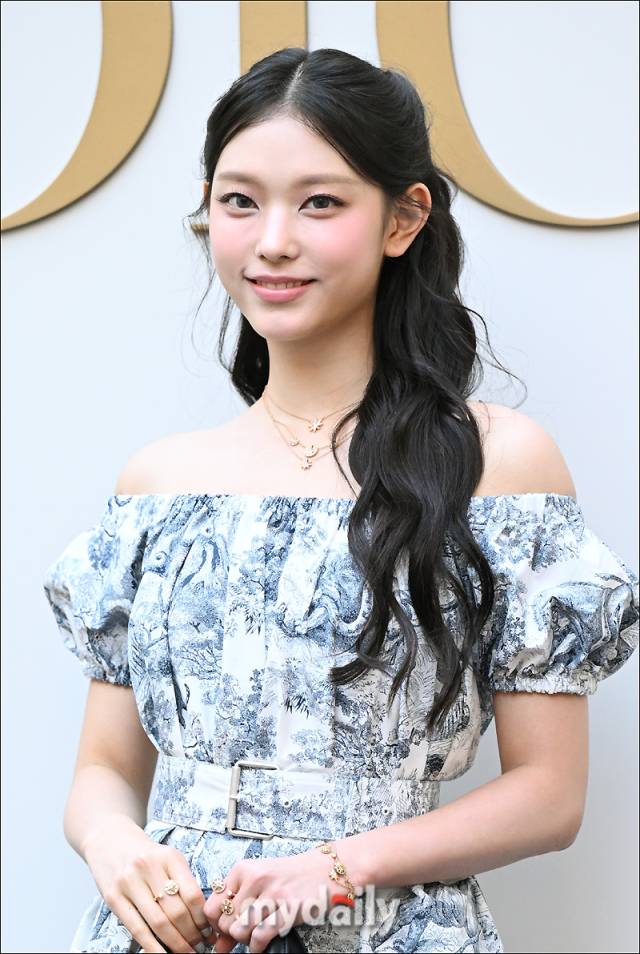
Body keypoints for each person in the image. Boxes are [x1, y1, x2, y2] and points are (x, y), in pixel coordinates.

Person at [42, 47, 639, 954]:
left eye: (319, 202)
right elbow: (103, 769)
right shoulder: (158, 483)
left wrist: (335, 868)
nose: (273, 240)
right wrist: (113, 844)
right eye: (240, 201)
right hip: (174, 936)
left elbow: (550, 796)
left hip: (393, 930)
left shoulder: (499, 463)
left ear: (404, 219)